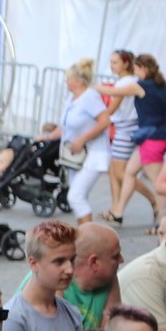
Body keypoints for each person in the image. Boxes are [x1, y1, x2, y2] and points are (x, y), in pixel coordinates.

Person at [104, 55, 166, 225]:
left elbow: (113, 92)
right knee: (129, 172)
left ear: (143, 68)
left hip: (152, 139)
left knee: (159, 183)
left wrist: (92, 86)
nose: (135, 73)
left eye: (136, 69)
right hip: (162, 135)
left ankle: (165, 219)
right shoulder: (164, 86)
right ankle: (118, 212)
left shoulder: (141, 86)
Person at [50, 60, 113, 225]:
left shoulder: (90, 97)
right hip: (75, 156)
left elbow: (105, 121)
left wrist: (82, 139)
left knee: (75, 196)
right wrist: (48, 137)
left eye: (68, 78)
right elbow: (64, 126)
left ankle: (87, 233)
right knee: (79, 196)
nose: (66, 81)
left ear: (78, 81)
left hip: (94, 153)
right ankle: (84, 230)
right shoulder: (71, 98)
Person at [68, 223, 123, 329]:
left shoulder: (109, 278)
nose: (122, 260)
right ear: (94, 262)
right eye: (116, 256)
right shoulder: (58, 284)